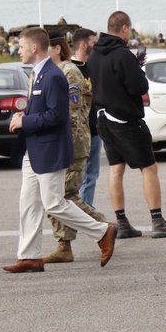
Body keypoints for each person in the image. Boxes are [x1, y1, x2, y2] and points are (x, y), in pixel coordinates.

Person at [4, 27, 115, 273]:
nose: (17, 50)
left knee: (53, 203)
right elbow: (45, 110)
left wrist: (25, 121)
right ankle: (29, 256)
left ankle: (103, 231)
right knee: (28, 203)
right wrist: (26, 114)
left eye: (21, 47)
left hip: (50, 150)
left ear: (34, 48)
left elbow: (57, 115)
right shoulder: (39, 73)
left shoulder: (55, 75)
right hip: (34, 150)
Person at [89, 11, 166, 239]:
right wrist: (137, 67)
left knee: (116, 169)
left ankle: (121, 222)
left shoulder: (94, 54)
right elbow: (138, 87)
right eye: (129, 29)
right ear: (124, 28)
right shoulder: (122, 54)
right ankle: (158, 221)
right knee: (149, 168)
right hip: (125, 119)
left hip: (103, 117)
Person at [41, 32, 107, 263]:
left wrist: (65, 146)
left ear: (57, 49)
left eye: (44, 47)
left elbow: (74, 115)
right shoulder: (49, 72)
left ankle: (104, 227)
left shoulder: (69, 73)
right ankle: (64, 245)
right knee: (59, 196)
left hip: (72, 144)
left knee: (65, 195)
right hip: (58, 144)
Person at [70, 28, 103, 208]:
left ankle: (86, 210)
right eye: (93, 42)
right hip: (76, 131)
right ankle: (77, 212)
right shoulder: (69, 69)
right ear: (84, 44)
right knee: (75, 175)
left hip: (94, 129)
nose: (96, 45)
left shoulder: (95, 66)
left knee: (91, 175)